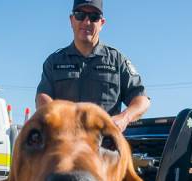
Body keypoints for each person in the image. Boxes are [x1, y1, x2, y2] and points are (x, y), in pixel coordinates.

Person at [35, 0, 150, 132]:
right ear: (71, 20)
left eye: (94, 17)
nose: (86, 22)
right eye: (80, 15)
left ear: (101, 23)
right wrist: (57, 121)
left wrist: (124, 118)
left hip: (104, 146)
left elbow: (142, 99)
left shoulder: (117, 61)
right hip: (65, 143)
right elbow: (42, 96)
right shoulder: (54, 61)